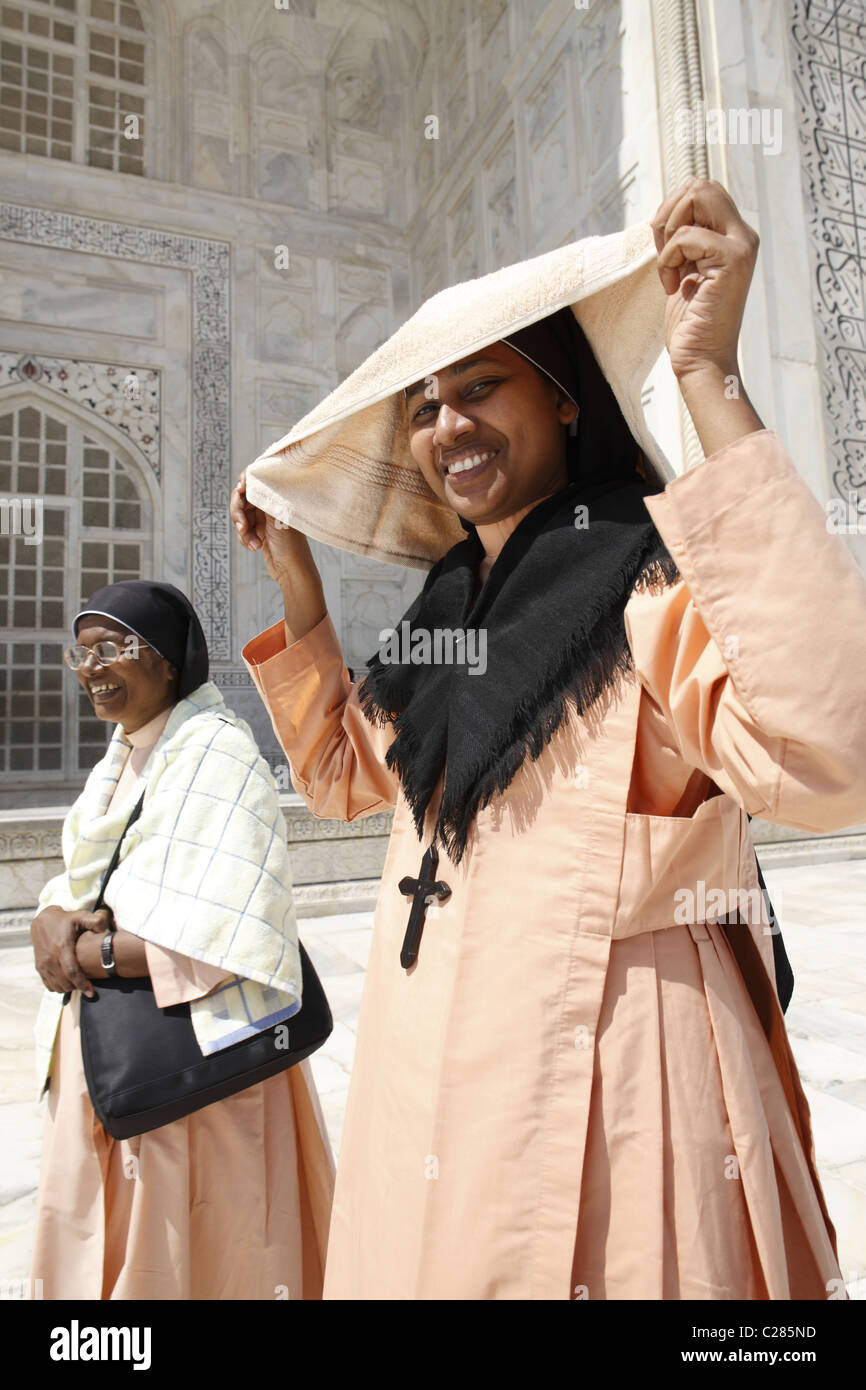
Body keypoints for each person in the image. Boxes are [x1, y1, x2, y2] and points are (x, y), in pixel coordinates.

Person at [230, 178, 866, 1298]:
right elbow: (340, 776)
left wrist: (707, 377)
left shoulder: (645, 575)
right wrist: (299, 586)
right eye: (423, 407)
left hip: (606, 1084)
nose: (445, 427)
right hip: (423, 1075)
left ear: (566, 398)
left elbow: (828, 759)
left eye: (480, 388)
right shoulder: (444, 609)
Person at [29, 580, 335, 1300]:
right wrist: (50, 920)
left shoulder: (219, 756)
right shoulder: (123, 759)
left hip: (198, 1068)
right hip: (111, 1055)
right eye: (84, 652)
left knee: (201, 1247)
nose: (93, 666)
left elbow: (233, 930)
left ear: (168, 662)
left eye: (115, 649)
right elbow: (83, 883)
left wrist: (89, 954)